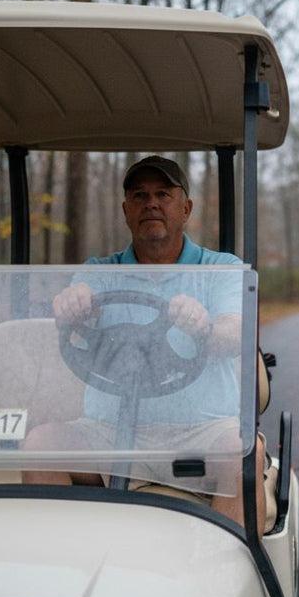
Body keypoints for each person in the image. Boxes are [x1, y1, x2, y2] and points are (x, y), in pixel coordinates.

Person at [23, 155, 269, 535]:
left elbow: (233, 332)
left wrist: (204, 328)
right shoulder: (100, 272)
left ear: (185, 208)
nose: (150, 203)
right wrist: (72, 302)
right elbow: (75, 306)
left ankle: (229, 575)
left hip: (198, 434)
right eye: (139, 195)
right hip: (111, 434)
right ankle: (57, 565)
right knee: (42, 445)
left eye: (163, 194)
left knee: (242, 452)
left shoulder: (221, 269)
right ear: (126, 211)